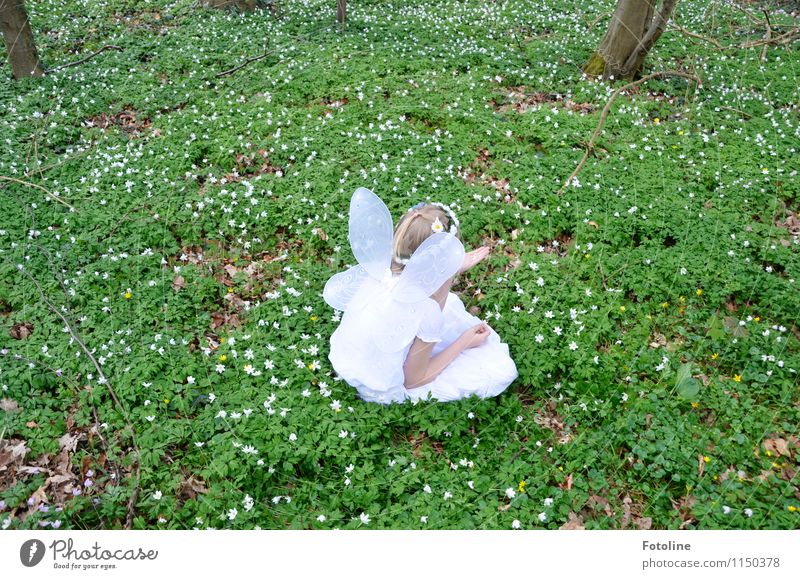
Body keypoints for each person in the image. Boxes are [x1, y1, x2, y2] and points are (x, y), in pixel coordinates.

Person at [324, 188, 518, 404]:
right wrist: (465, 342)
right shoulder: (427, 309)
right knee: (501, 370)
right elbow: (413, 380)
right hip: (379, 387)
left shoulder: (379, 271)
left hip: (345, 359)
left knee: (449, 307)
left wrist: (449, 268)